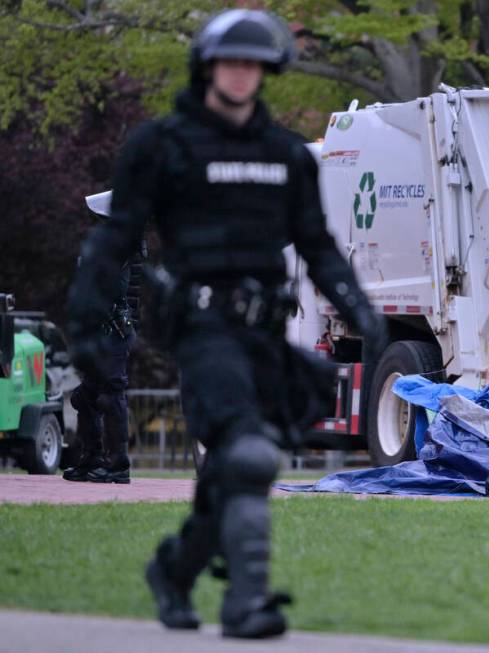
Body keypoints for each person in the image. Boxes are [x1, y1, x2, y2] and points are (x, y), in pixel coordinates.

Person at [67, 9, 387, 639]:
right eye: (229, 62)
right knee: (247, 453)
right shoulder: (162, 146)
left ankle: (175, 571)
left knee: (234, 466)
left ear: (265, 73)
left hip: (265, 332)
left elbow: (317, 244)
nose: (241, 75)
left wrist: (361, 311)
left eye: (252, 65)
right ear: (208, 68)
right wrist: (84, 328)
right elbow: (114, 243)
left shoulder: (287, 154)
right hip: (201, 325)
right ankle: (246, 602)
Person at [62, 237, 143, 484]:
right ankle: (92, 459)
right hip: (102, 333)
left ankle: (118, 465)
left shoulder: (125, 249)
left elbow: (114, 291)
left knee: (111, 395)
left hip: (115, 334)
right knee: (85, 397)